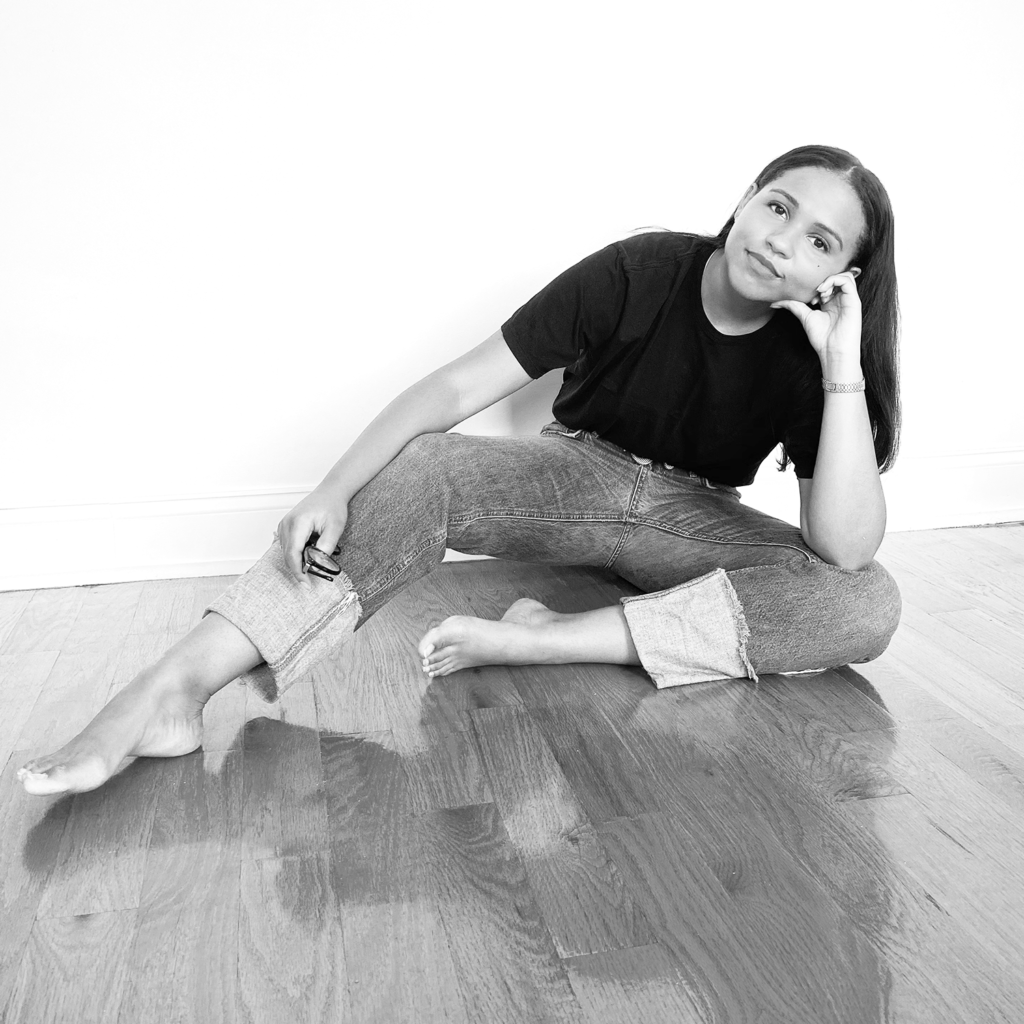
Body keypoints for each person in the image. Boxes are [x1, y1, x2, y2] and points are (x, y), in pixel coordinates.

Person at [18, 143, 902, 796]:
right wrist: (332, 486)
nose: (786, 243)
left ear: (844, 278)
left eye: (823, 243)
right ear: (746, 198)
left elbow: (844, 548)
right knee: (429, 466)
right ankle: (173, 689)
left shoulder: (813, 356)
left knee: (868, 600)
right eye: (779, 207)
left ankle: (542, 639)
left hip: (690, 515)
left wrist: (841, 367)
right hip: (579, 480)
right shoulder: (641, 271)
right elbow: (458, 385)